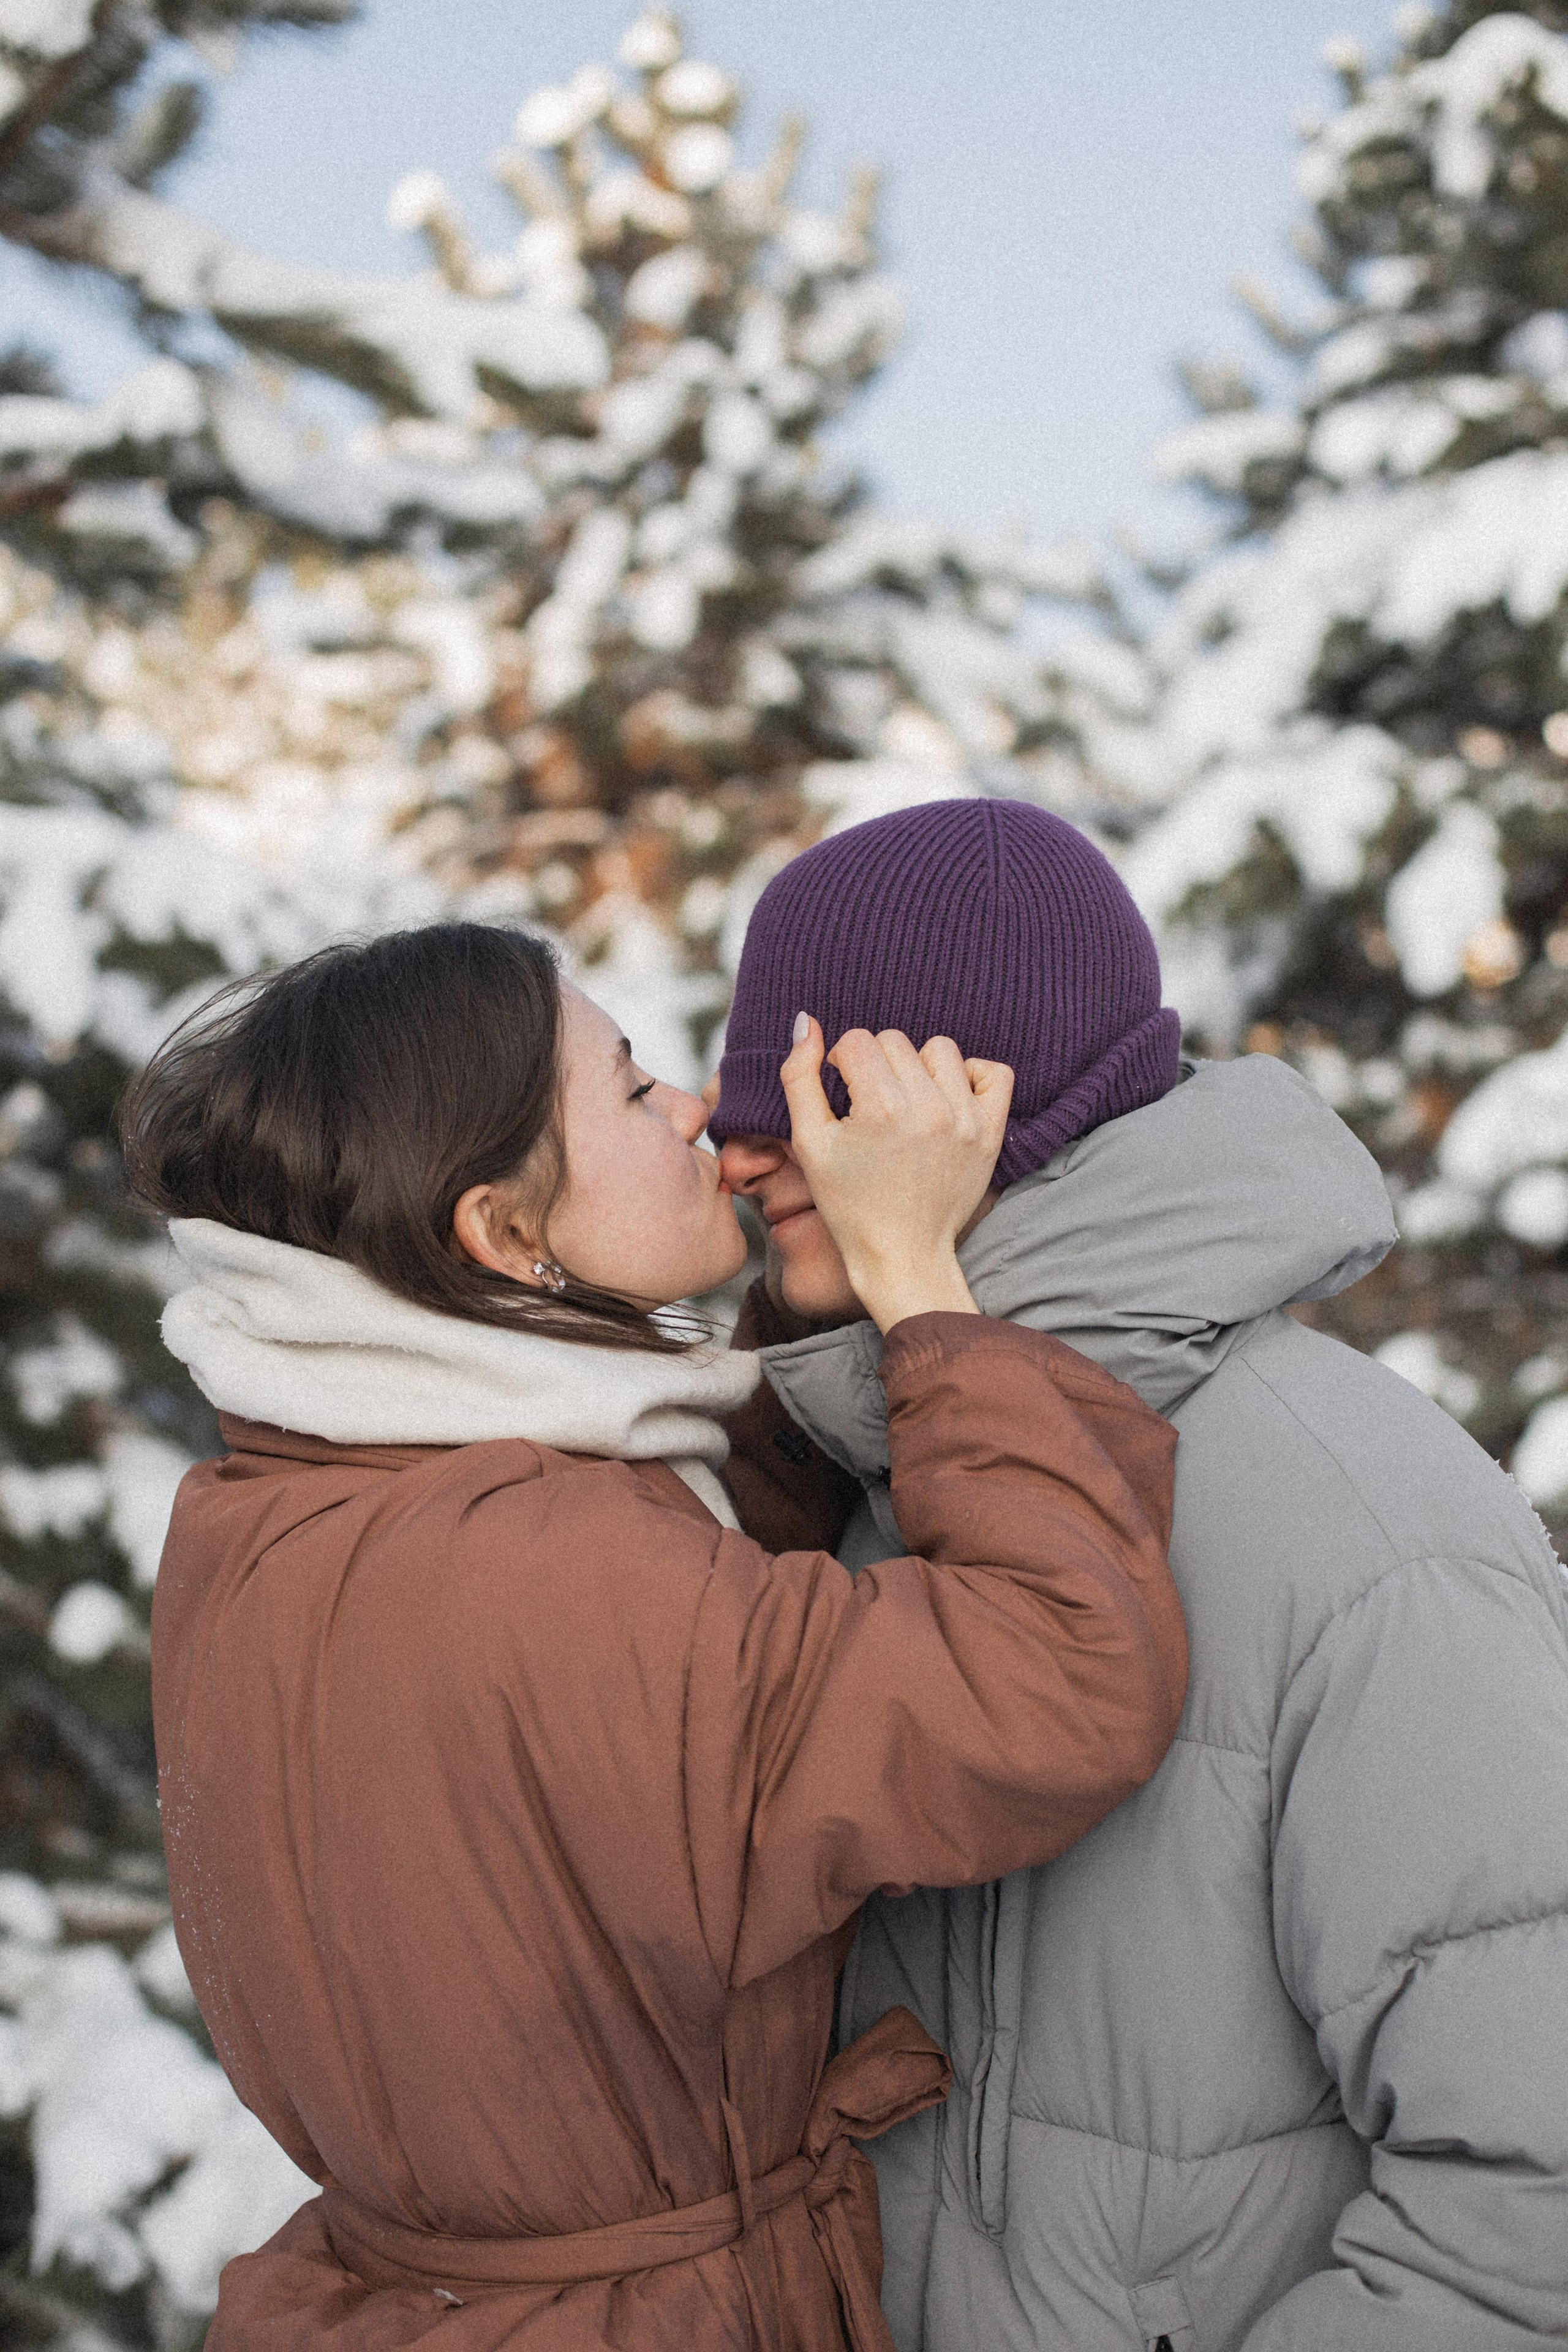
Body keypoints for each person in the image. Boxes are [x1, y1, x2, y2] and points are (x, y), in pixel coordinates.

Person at [124, 921, 1186, 2352]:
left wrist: (795, 1314)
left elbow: (682, 1642)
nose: (695, 1110)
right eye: (628, 1091)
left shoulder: (287, 1506)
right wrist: (918, 1281)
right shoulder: (550, 1582)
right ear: (503, 1235)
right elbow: (1060, 1675)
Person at [707, 797, 1568, 2352]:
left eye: (807, 1082)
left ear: (968, 1106)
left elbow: (1532, 2204)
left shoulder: (1367, 1538)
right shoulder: (846, 1482)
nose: (729, 1139)